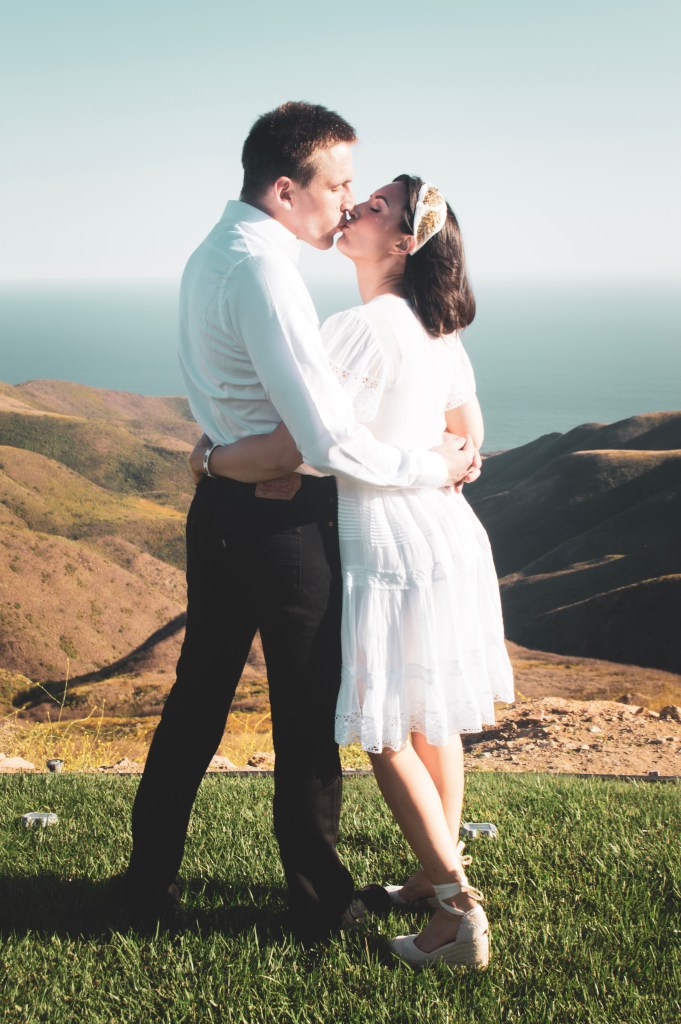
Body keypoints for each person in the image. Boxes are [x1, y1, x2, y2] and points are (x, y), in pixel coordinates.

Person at [123, 102, 477, 943]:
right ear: (286, 191)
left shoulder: (211, 253)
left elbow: (285, 431)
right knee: (309, 715)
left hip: (221, 512)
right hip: (282, 527)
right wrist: (430, 464)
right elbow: (317, 439)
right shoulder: (269, 273)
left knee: (196, 698)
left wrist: (215, 461)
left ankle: (145, 881)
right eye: (341, 184)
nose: (348, 201)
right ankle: (319, 906)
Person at [194, 175, 514, 967]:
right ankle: (433, 870)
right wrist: (451, 460)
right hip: (445, 536)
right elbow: (468, 432)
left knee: (382, 730)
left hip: (387, 542)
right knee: (426, 716)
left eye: (374, 208)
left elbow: (299, 441)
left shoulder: (361, 326)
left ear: (403, 243)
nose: (353, 210)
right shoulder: (437, 327)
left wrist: (213, 458)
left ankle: (453, 910)